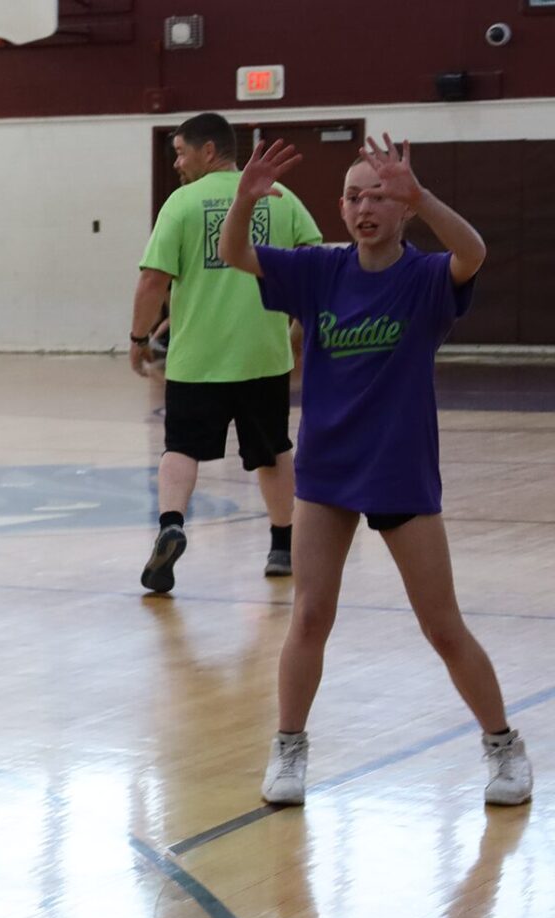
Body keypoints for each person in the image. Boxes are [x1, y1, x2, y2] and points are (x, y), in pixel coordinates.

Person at [223, 136, 533, 808]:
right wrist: (245, 200)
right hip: (327, 471)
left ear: (404, 209)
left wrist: (425, 197)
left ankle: (504, 746)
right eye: (356, 196)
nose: (366, 207)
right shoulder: (319, 273)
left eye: (382, 196)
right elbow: (235, 255)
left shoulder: (424, 280)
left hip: (399, 471)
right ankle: (290, 750)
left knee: (442, 624)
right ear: (340, 208)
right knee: (308, 616)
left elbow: (473, 253)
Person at [131, 112, 323, 594]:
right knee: (272, 452)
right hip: (263, 355)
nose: (177, 163)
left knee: (181, 448)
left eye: (180, 152)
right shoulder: (282, 198)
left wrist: (138, 340)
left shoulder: (182, 203)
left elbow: (152, 279)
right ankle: (282, 547)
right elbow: (316, 268)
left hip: (197, 360)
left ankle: (171, 524)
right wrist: (299, 328)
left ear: (209, 151)